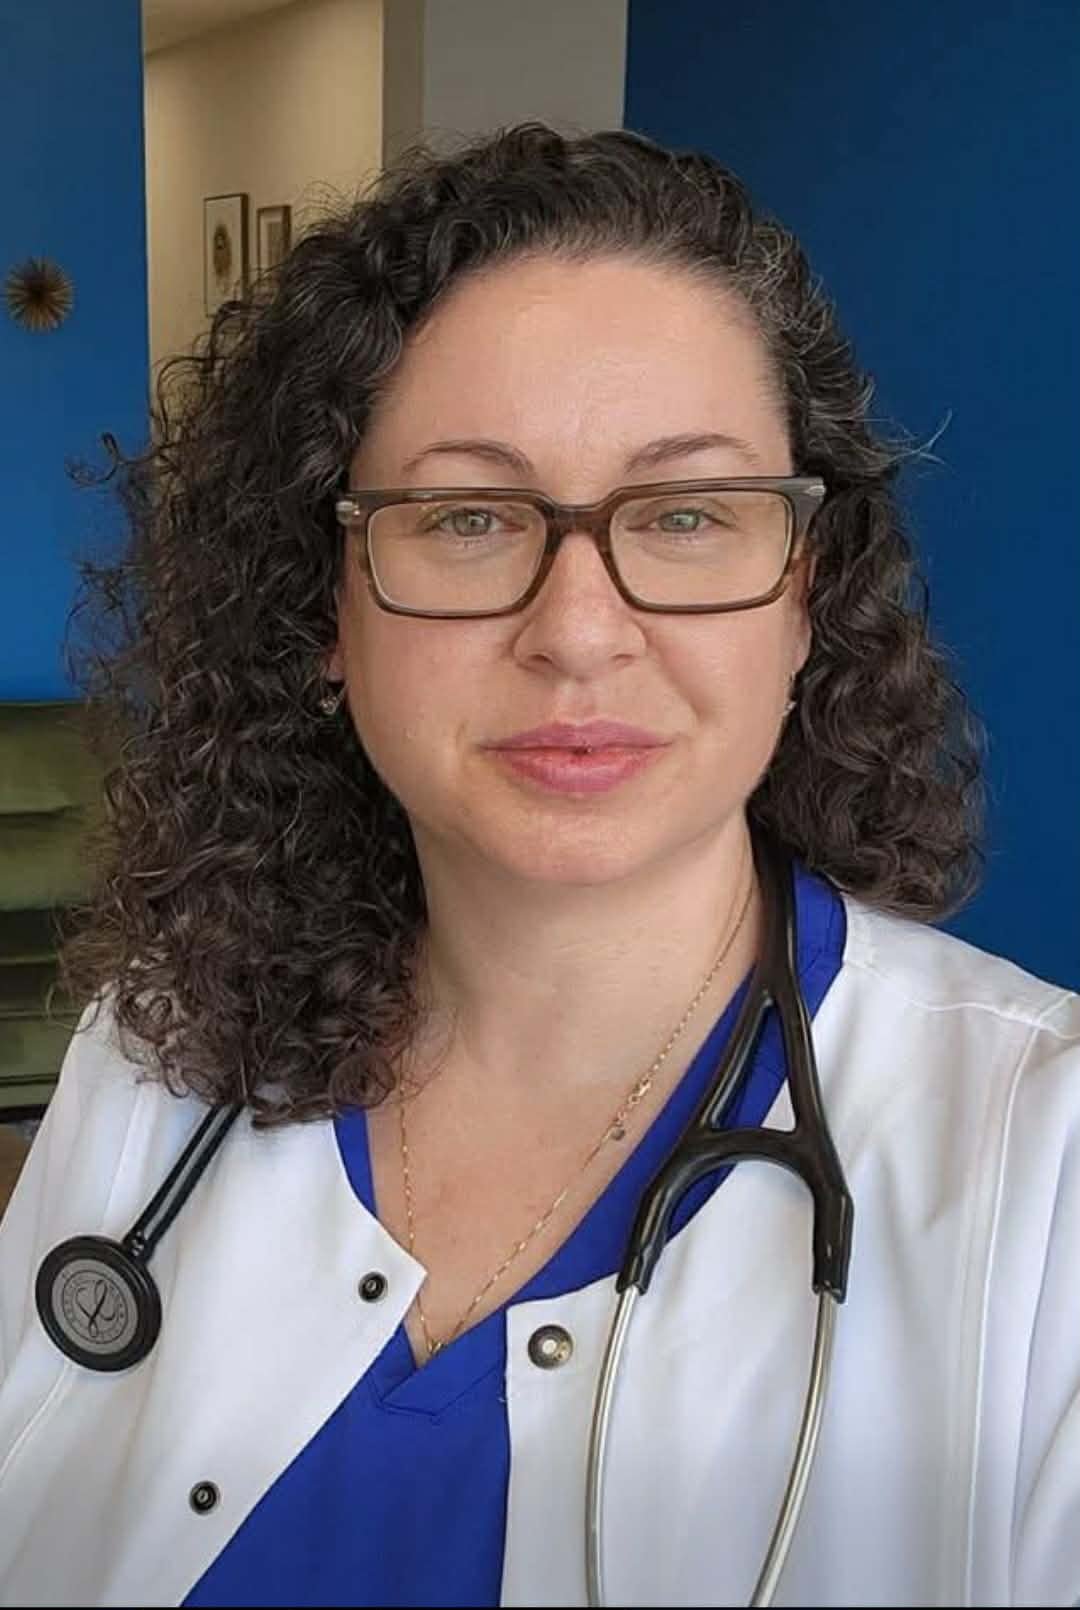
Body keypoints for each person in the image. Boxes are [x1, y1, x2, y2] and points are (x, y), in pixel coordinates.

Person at [0, 121, 1077, 1610]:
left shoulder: (1048, 1169)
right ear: (327, 610)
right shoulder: (155, 1051)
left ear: (801, 597)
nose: (578, 631)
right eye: (468, 518)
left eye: (688, 513)